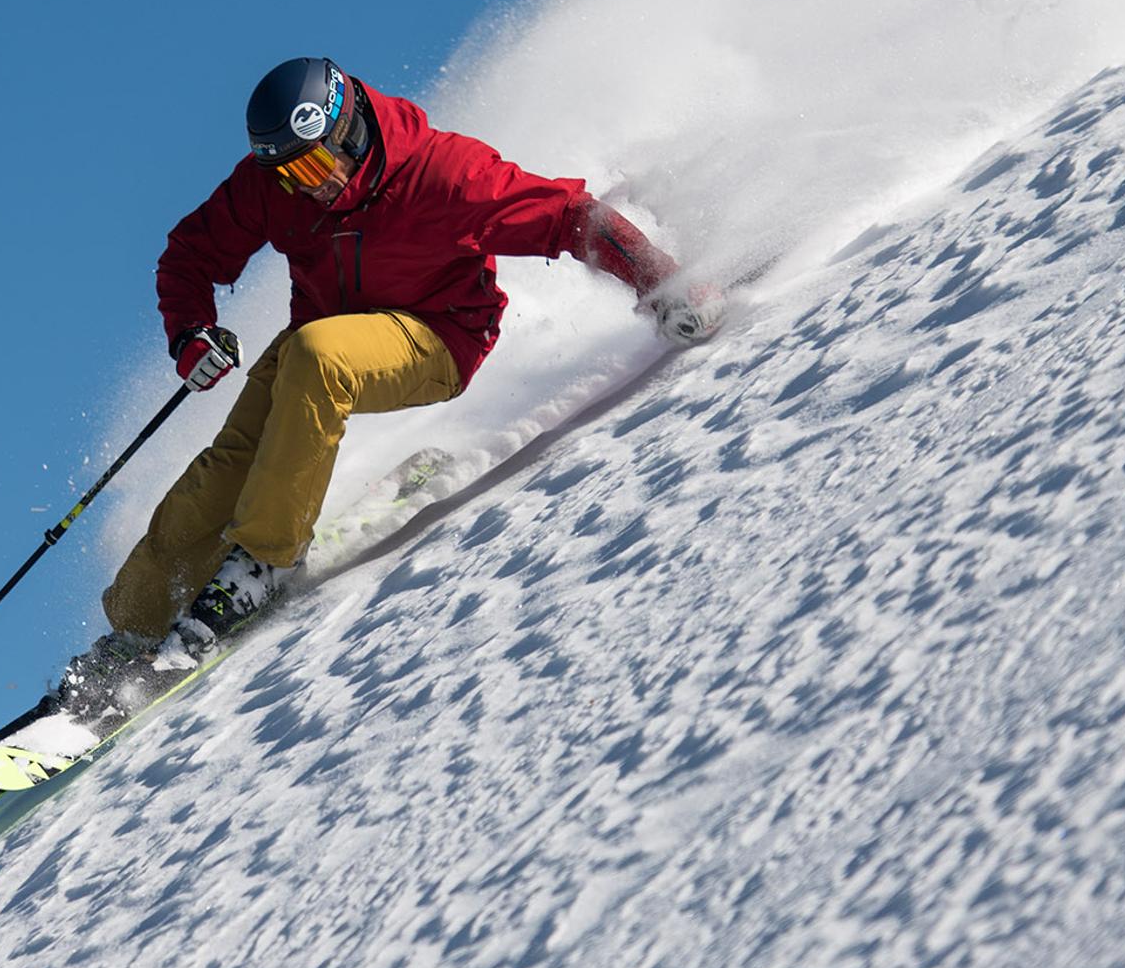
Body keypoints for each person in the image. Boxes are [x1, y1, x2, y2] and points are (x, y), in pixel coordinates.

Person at [62, 57, 724, 703]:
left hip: (437, 336)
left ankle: (264, 561)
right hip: (322, 336)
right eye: (291, 174)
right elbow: (190, 254)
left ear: (349, 130)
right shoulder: (274, 186)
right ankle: (135, 624)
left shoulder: (445, 174)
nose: (309, 185)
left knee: (320, 355)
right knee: (232, 458)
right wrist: (191, 331)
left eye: (318, 164)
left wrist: (660, 279)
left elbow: (570, 217)